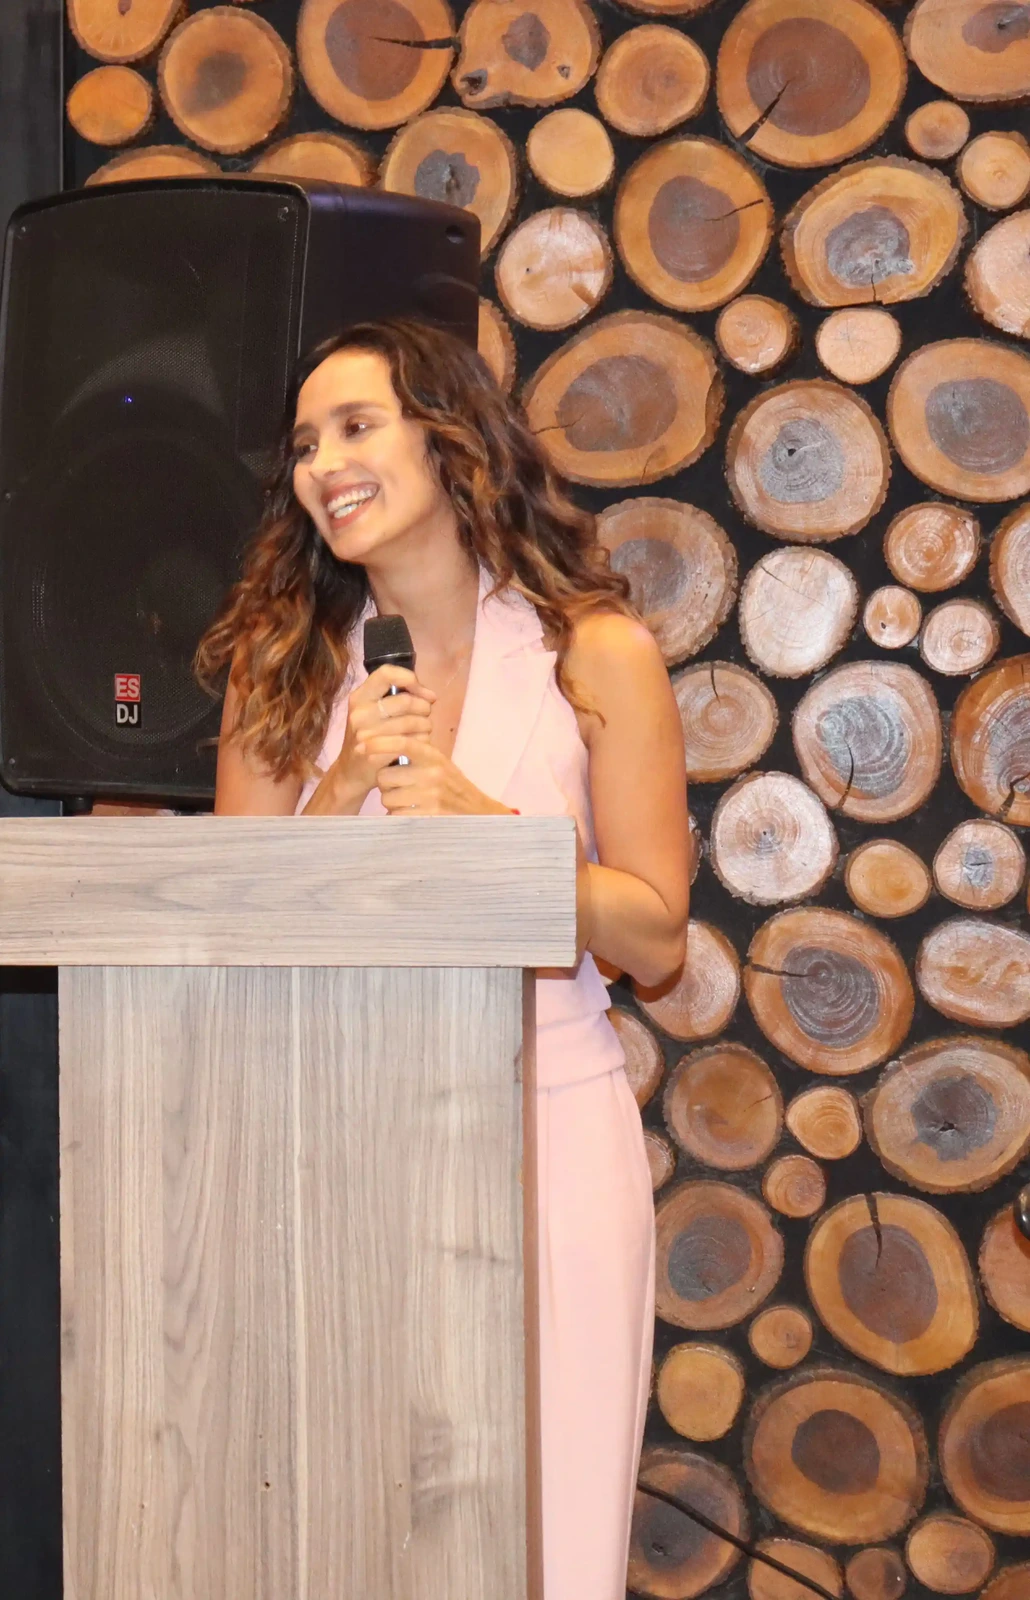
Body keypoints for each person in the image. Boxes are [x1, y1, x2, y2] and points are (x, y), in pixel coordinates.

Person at [195, 318, 689, 1599]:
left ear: (449, 441)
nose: (322, 465)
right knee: (355, 1532)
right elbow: (235, 927)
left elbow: (655, 937)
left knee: (548, 1528)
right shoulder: (280, 667)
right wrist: (342, 785)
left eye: (355, 427)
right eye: (305, 443)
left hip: (550, 1133)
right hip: (338, 1135)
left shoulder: (596, 654)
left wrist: (494, 835)